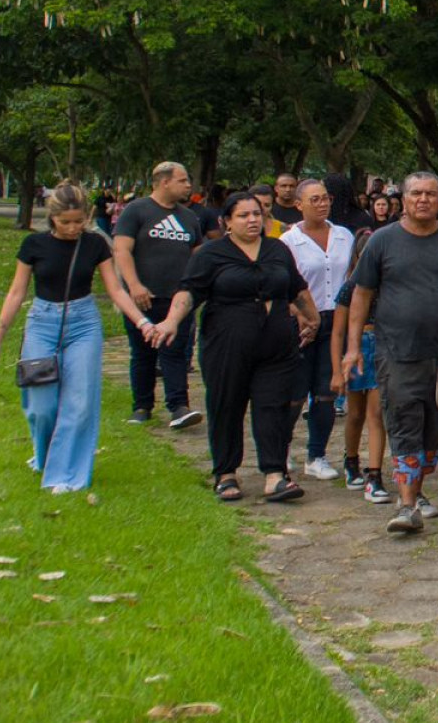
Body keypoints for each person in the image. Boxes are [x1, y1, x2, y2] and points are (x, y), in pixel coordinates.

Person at [151, 191, 320, 503]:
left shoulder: (277, 250)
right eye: (243, 215)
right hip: (226, 343)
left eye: (257, 214)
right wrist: (171, 321)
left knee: (273, 406)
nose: (253, 220)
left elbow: (296, 288)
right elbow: (189, 292)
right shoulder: (211, 254)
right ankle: (226, 473)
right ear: (227, 221)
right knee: (227, 405)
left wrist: (312, 318)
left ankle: (274, 474)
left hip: (276, 343)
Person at [0, 182, 149, 493]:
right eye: (65, 222)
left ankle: (67, 474)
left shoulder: (96, 245)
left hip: (84, 324)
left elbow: (115, 289)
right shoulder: (33, 245)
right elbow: (17, 292)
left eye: (79, 221)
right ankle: (45, 456)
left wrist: (142, 322)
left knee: (80, 401)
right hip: (42, 323)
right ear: (52, 217)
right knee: (40, 405)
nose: (73, 228)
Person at [343, 173, 438, 534]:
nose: (423, 200)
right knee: (404, 422)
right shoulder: (382, 242)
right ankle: (407, 506)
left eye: (431, 194)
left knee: (435, 430)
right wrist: (353, 347)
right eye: (416, 193)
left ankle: (417, 490)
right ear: (402, 199)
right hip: (395, 353)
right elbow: (361, 295)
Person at [111, 161, 206, 430]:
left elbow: (198, 254)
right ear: (164, 182)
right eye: (183, 180)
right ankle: (142, 406)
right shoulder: (136, 211)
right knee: (142, 353)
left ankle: (178, 406)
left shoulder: (188, 218)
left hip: (178, 299)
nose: (189, 185)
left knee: (175, 352)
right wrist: (134, 285)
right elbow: (121, 250)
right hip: (143, 298)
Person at [278, 179, 353, 482]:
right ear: (299, 204)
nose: (322, 204)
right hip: (302, 321)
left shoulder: (343, 236)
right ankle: (280, 448)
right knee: (295, 391)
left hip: (336, 318)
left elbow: (349, 276)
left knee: (326, 391)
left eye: (325, 199)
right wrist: (301, 316)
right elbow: (284, 284)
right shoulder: (288, 241)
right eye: (314, 200)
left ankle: (317, 454)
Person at [331, 229, 390, 502]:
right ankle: (351, 458)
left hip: (384, 346)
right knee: (355, 413)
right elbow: (339, 332)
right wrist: (336, 369)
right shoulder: (350, 288)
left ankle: (375, 473)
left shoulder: (391, 285)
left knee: (376, 413)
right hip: (359, 349)